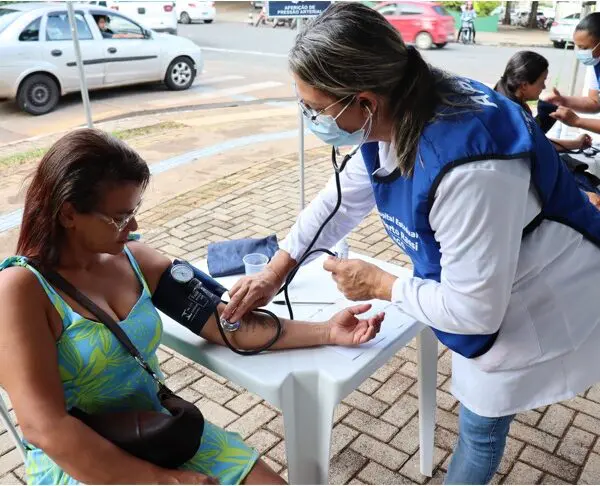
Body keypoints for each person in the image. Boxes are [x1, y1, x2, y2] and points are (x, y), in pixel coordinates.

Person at [224, 3, 600, 484]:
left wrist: (382, 283)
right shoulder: (399, 107)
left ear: (363, 100)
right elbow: (338, 203)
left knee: (481, 429)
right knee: (479, 415)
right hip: (487, 278)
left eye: (314, 108)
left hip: (542, 289)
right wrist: (276, 271)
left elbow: (474, 312)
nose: (309, 118)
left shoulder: (471, 170)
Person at [0, 129, 384, 485]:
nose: (132, 226)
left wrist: (328, 332)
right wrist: (163, 481)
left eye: (135, 210)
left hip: (160, 431)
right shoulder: (21, 290)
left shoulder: (137, 260)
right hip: (79, 458)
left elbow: (225, 324)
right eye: (119, 217)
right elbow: (44, 427)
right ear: (68, 214)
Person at [494, 51, 600, 207]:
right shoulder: (512, 116)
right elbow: (533, 156)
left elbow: (536, 142)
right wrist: (581, 194)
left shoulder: (507, 98)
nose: (544, 86)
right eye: (542, 81)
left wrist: (575, 143)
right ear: (524, 85)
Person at [544, 12, 600, 131]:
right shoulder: (596, 63)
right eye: (578, 47)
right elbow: (595, 102)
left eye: (584, 48)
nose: (580, 52)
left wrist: (577, 121)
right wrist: (563, 101)